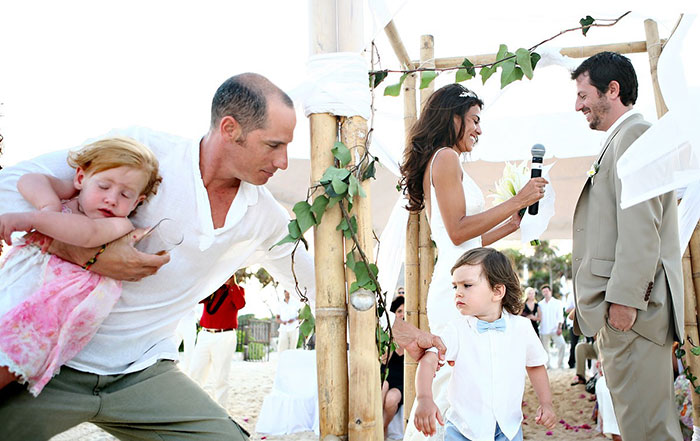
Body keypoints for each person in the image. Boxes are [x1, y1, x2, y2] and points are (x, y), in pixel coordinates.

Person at [0, 72, 315, 441]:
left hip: (143, 372)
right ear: (230, 129)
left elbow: (317, 282)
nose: (283, 162)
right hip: (53, 361)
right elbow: (10, 186)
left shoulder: (265, 216)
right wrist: (81, 247)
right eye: (273, 145)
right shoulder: (142, 152)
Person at [399, 83, 547, 441]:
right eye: (475, 120)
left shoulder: (443, 159)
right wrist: (517, 200)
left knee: (462, 384)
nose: (480, 130)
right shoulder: (446, 157)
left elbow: (465, 238)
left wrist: (510, 225)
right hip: (459, 288)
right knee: (452, 385)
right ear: (453, 117)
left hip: (461, 272)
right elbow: (456, 231)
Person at [571, 51, 684, 441]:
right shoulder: (624, 138)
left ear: (612, 90)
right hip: (630, 316)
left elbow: (641, 227)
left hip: (633, 315)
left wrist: (624, 303)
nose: (578, 105)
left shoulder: (633, 135)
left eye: (584, 95)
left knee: (648, 430)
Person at [0, 137, 161, 396]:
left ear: (137, 202)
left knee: (9, 352)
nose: (111, 199)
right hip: (16, 285)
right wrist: (48, 206)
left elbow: (87, 235)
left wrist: (34, 218)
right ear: (80, 178)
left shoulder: (119, 225)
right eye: (104, 186)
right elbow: (28, 180)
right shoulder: (67, 198)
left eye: (125, 194)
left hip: (48, 308)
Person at [413, 248, 556, 440]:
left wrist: (546, 402)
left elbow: (535, 364)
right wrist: (424, 398)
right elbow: (428, 361)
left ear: (497, 291)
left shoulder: (522, 328)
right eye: (456, 286)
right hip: (463, 429)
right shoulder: (456, 329)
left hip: (509, 428)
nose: (458, 293)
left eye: (467, 285)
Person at [189, 275, 246, 407]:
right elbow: (198, 298)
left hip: (224, 336)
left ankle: (221, 409)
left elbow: (240, 304)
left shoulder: (237, 289)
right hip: (205, 334)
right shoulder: (212, 289)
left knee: (221, 376)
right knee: (195, 372)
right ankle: (192, 406)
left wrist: (232, 284)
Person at [382, 295, 406, 435]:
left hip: (401, 382)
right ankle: (378, 429)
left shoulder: (414, 336)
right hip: (387, 377)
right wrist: (394, 337)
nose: (402, 314)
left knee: (391, 398)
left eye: (405, 311)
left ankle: (382, 428)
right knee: (384, 385)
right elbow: (384, 361)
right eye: (399, 311)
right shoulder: (388, 335)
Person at [537, 284, 566, 369]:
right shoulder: (540, 304)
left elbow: (560, 316)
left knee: (562, 345)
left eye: (547, 291)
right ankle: (548, 365)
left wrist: (559, 328)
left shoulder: (557, 303)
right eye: (543, 292)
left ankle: (560, 364)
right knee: (545, 349)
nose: (545, 293)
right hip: (543, 329)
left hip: (555, 329)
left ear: (550, 291)